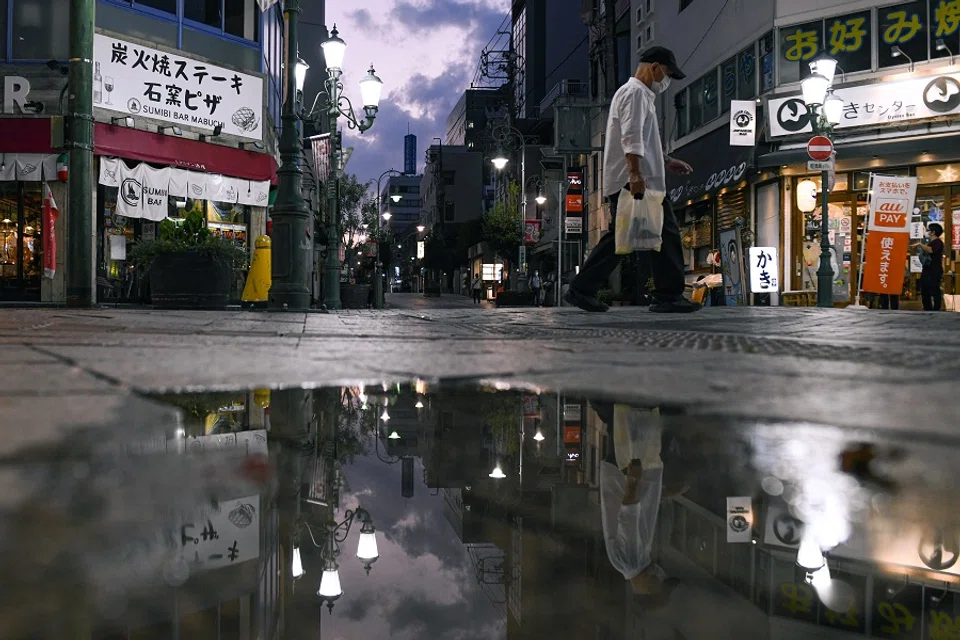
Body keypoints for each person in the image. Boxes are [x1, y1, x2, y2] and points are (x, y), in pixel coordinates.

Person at [564, 46, 699, 314]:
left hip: (637, 178)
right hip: (636, 180)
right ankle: (668, 295)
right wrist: (636, 173)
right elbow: (631, 135)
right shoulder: (635, 92)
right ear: (655, 67)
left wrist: (665, 160)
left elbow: (642, 138)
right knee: (666, 232)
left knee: (622, 237)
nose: (666, 81)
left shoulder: (639, 95)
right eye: (667, 73)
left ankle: (582, 289)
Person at [912, 223, 945, 311]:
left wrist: (920, 244)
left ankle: (936, 309)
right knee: (924, 290)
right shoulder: (930, 242)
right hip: (927, 270)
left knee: (934, 290)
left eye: (928, 230)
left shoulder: (938, 242)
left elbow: (931, 250)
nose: (927, 232)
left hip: (934, 270)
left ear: (933, 232)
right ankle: (927, 309)